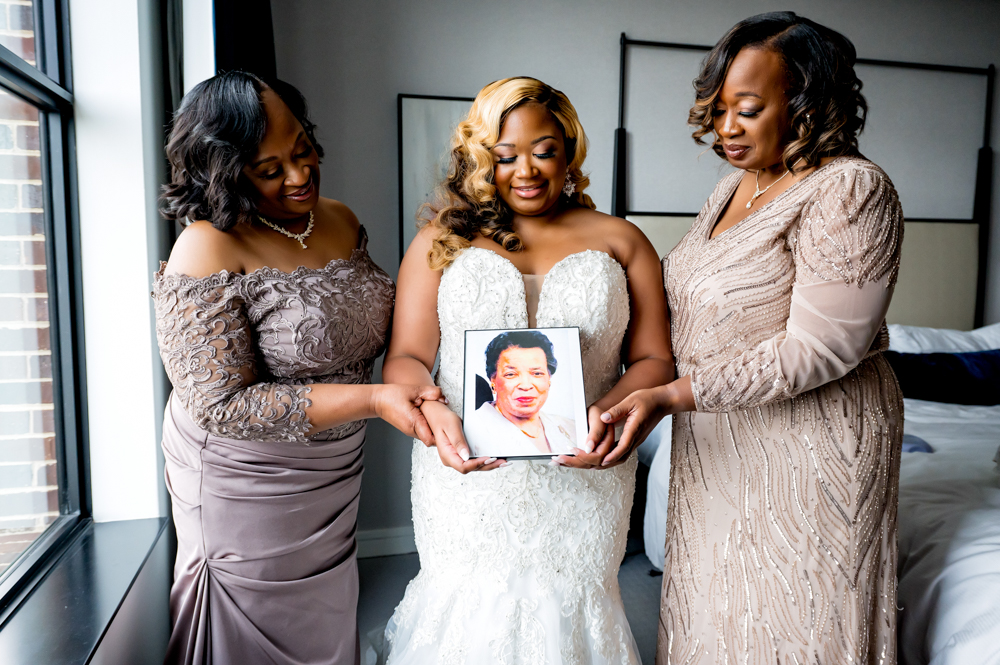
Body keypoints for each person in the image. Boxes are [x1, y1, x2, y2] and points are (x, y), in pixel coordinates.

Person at [599, 12, 905, 664]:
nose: (726, 127)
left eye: (747, 108)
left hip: (809, 449)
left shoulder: (851, 188)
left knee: (796, 622)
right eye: (717, 109)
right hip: (718, 441)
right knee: (717, 614)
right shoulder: (732, 188)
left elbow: (822, 347)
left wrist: (677, 393)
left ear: (805, 104)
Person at [379, 77, 674, 663]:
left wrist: (609, 411)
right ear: (480, 159)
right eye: (505, 155)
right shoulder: (442, 241)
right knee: (469, 611)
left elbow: (654, 359)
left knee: (574, 609)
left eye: (543, 150)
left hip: (586, 469)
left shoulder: (622, 239)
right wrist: (431, 411)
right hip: (469, 474)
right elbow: (406, 357)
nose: (527, 170)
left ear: (568, 150)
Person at [153, 71, 441, 665]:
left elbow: (375, 325)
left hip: (333, 473)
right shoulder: (206, 246)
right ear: (224, 173)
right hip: (246, 482)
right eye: (269, 169)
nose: (299, 174)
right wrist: (375, 400)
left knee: (326, 622)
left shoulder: (336, 218)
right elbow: (221, 405)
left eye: (303, 150)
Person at [464, 330, 576, 457]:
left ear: (549, 378)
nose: (525, 386)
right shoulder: (472, 432)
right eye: (511, 374)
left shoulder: (571, 428)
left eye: (537, 373)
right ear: (493, 380)